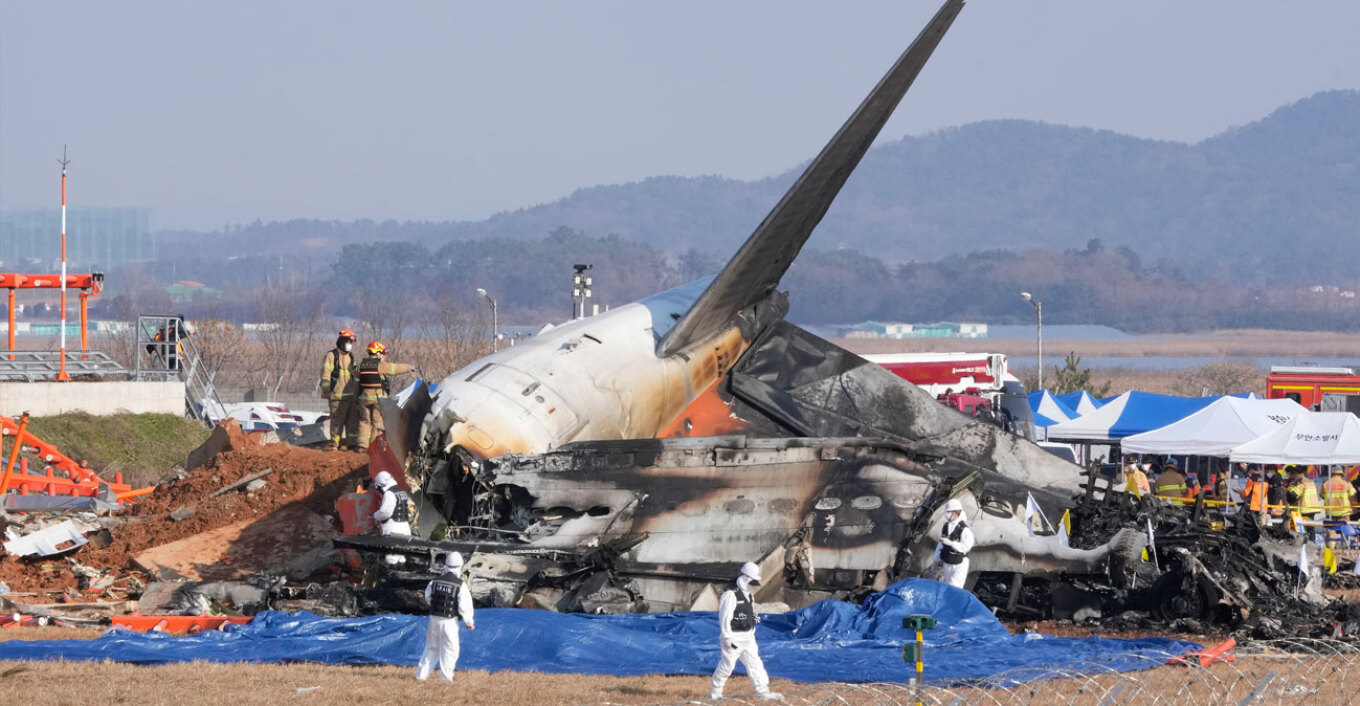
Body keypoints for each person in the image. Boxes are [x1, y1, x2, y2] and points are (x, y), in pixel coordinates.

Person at [709, 562, 782, 702]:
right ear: (744, 578)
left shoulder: (749, 596)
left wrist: (752, 626)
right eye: (751, 582)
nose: (753, 586)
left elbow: (751, 613)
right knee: (727, 666)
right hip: (734, 638)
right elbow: (724, 617)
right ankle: (714, 694)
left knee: (755, 663)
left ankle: (763, 692)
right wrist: (727, 637)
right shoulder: (730, 595)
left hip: (748, 637)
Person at [416, 551, 475, 681]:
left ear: (446, 565)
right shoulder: (460, 585)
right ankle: (445, 678)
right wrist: (469, 622)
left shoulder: (434, 582)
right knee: (450, 649)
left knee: (431, 647)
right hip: (449, 621)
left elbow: (428, 597)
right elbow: (464, 605)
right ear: (460, 566)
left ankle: (421, 676)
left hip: (434, 620)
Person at [354, 341, 414, 452]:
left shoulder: (361, 365)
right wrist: (409, 367)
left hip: (363, 399)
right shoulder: (380, 365)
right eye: (382, 353)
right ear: (377, 353)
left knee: (364, 421)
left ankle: (362, 446)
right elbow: (395, 368)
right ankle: (373, 447)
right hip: (377, 399)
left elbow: (355, 379)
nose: (384, 356)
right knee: (377, 422)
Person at [319, 328, 359, 450]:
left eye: (351, 342)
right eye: (348, 341)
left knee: (353, 423)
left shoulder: (351, 356)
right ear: (342, 341)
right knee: (337, 423)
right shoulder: (331, 356)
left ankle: (352, 446)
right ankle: (334, 446)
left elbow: (355, 376)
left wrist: (357, 394)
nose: (350, 345)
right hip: (337, 397)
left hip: (351, 397)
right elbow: (325, 375)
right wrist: (327, 392)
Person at [372, 471, 413, 567]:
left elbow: (385, 512)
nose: (380, 490)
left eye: (379, 487)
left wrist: (374, 515)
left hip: (394, 530)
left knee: (392, 559)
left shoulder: (390, 494)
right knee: (401, 558)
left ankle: (394, 579)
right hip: (405, 529)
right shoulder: (401, 491)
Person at [933, 499, 974, 589]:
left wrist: (952, 544)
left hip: (959, 564)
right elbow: (941, 544)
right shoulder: (945, 526)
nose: (946, 514)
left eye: (949, 512)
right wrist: (935, 560)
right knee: (946, 586)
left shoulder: (964, 530)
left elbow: (966, 547)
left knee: (954, 588)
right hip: (947, 561)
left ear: (956, 512)